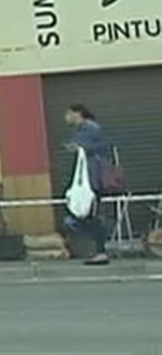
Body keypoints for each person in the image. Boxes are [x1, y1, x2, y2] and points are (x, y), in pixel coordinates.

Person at [62, 103, 111, 266]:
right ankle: (97, 250)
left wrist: (72, 147)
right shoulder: (89, 128)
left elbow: (80, 147)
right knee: (87, 215)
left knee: (90, 215)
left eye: (68, 114)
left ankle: (100, 251)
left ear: (78, 114)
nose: (66, 118)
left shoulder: (88, 128)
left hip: (92, 178)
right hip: (91, 178)